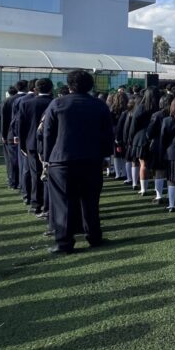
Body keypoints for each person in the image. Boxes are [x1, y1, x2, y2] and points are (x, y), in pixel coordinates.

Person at [43, 70, 114, 253]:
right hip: (91, 159)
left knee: (63, 203)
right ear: (91, 86)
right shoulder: (99, 105)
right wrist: (106, 156)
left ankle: (64, 242)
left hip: (61, 160)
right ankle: (94, 236)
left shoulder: (57, 103)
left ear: (69, 85)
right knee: (90, 201)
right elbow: (107, 134)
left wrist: (46, 158)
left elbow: (48, 133)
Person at [17, 78, 54, 216]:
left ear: (35, 89)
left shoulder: (26, 103)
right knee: (51, 176)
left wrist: (22, 145)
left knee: (35, 174)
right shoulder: (54, 102)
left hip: (31, 144)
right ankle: (49, 205)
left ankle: (36, 204)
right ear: (51, 89)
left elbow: (21, 126)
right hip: (52, 145)